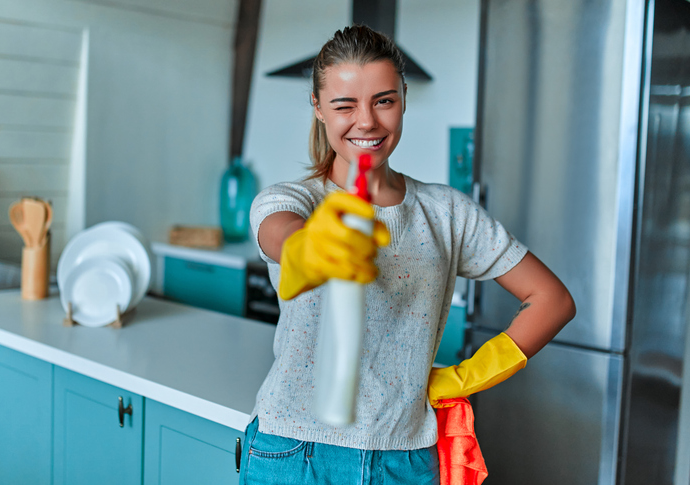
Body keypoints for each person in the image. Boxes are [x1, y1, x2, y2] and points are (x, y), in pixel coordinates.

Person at [239, 25, 576, 485]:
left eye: (384, 100)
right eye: (344, 105)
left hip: (405, 460)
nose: (367, 122)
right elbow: (279, 232)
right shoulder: (292, 201)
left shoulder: (446, 213)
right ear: (318, 108)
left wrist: (464, 377)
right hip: (294, 451)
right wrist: (310, 248)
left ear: (402, 99)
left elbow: (552, 300)